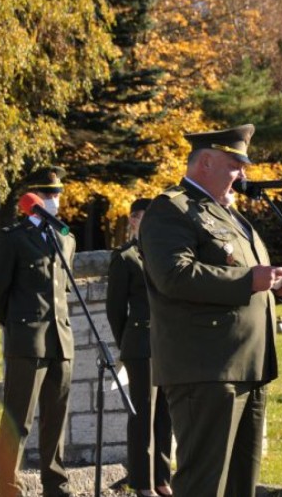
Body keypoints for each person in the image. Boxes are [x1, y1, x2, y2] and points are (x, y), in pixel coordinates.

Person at [139, 124, 282, 497]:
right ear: (207, 162)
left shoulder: (232, 217)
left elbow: (241, 278)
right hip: (207, 369)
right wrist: (251, 280)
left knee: (240, 483)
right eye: (236, 165)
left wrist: (278, 288)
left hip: (249, 365)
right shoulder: (171, 209)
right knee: (204, 484)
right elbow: (175, 276)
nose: (243, 175)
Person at [0, 166, 76, 497]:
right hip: (27, 340)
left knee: (56, 419)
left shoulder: (66, 238)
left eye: (58, 195)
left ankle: (56, 485)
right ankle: (9, 486)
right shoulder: (13, 238)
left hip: (61, 340)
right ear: (33, 198)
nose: (55, 201)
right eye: (49, 195)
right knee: (17, 420)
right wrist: (17, 324)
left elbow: (62, 289)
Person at [106, 198, 173, 497]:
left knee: (166, 415)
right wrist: (128, 344)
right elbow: (114, 310)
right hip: (141, 343)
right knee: (143, 413)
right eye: (145, 217)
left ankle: (162, 478)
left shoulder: (165, 253)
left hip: (168, 345)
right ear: (133, 220)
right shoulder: (125, 258)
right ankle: (142, 482)